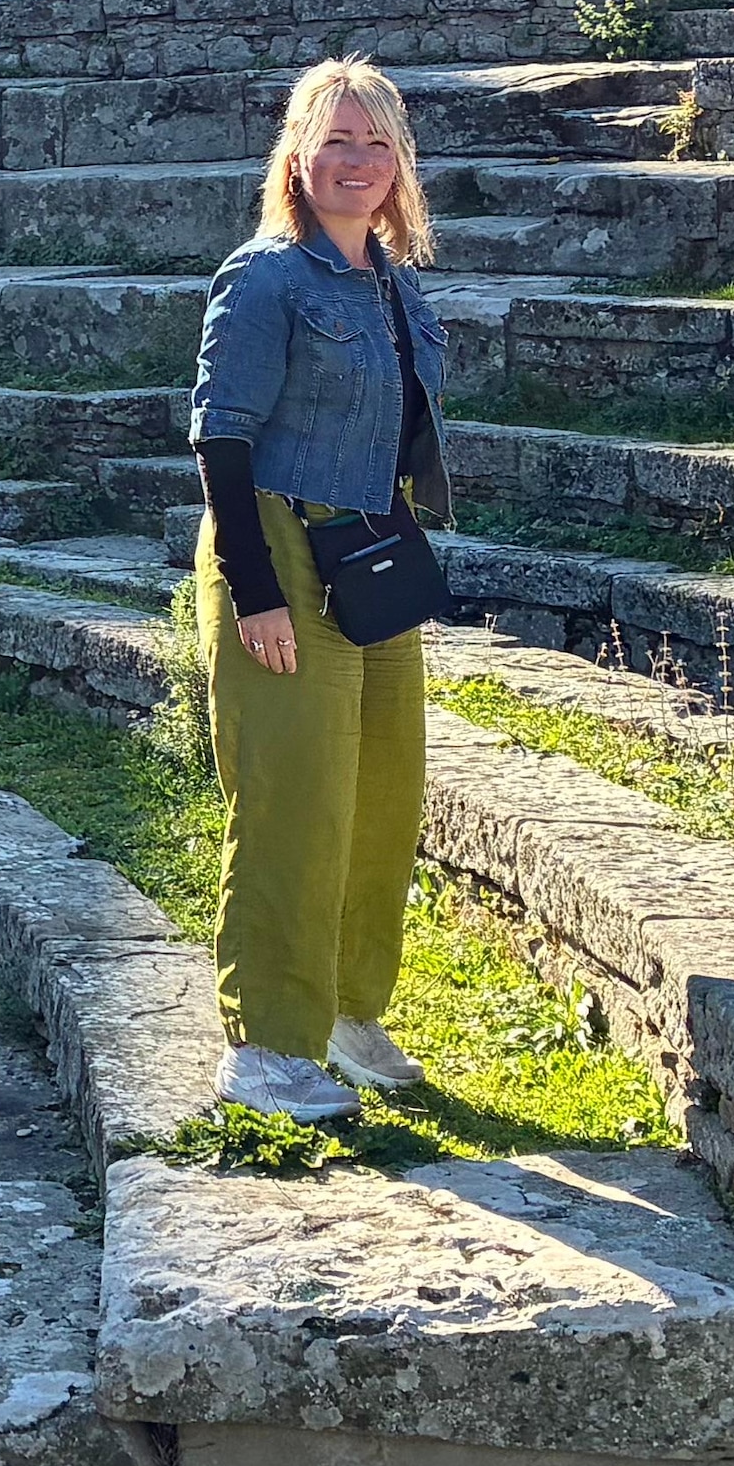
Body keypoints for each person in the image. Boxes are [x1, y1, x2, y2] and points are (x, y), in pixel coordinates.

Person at [185, 55, 448, 1123]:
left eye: (374, 142)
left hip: (367, 546)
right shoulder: (263, 278)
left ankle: (343, 1010)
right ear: (294, 154)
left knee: (382, 797)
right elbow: (220, 438)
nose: (355, 161)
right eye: (334, 139)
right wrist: (255, 596)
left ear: (398, 163)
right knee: (293, 802)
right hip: (278, 547)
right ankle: (263, 1050)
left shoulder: (392, 277)